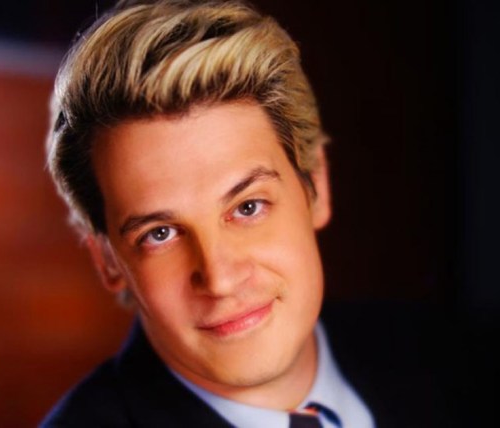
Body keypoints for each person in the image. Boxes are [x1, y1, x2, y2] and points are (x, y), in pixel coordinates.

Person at [41, 1, 375, 426]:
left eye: (247, 207)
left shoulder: (446, 355)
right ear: (107, 260)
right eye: (160, 234)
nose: (220, 280)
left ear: (317, 188)